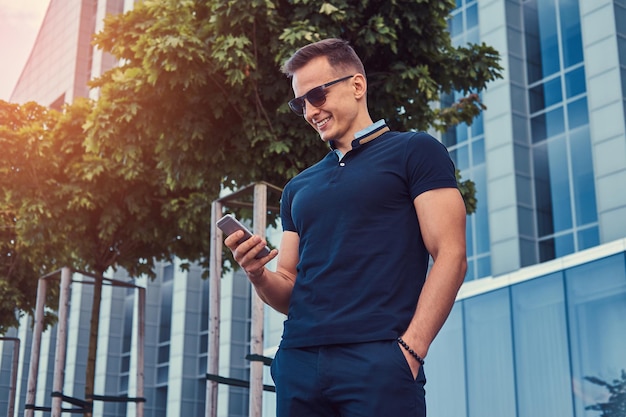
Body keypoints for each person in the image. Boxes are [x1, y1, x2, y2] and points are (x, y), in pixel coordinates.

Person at [224, 38, 467, 417]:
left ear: (357, 85)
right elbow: (287, 286)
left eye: (317, 95)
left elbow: (451, 254)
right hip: (298, 362)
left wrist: (411, 350)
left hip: (379, 361)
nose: (309, 111)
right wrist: (257, 274)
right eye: (299, 103)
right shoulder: (297, 187)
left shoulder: (415, 151)